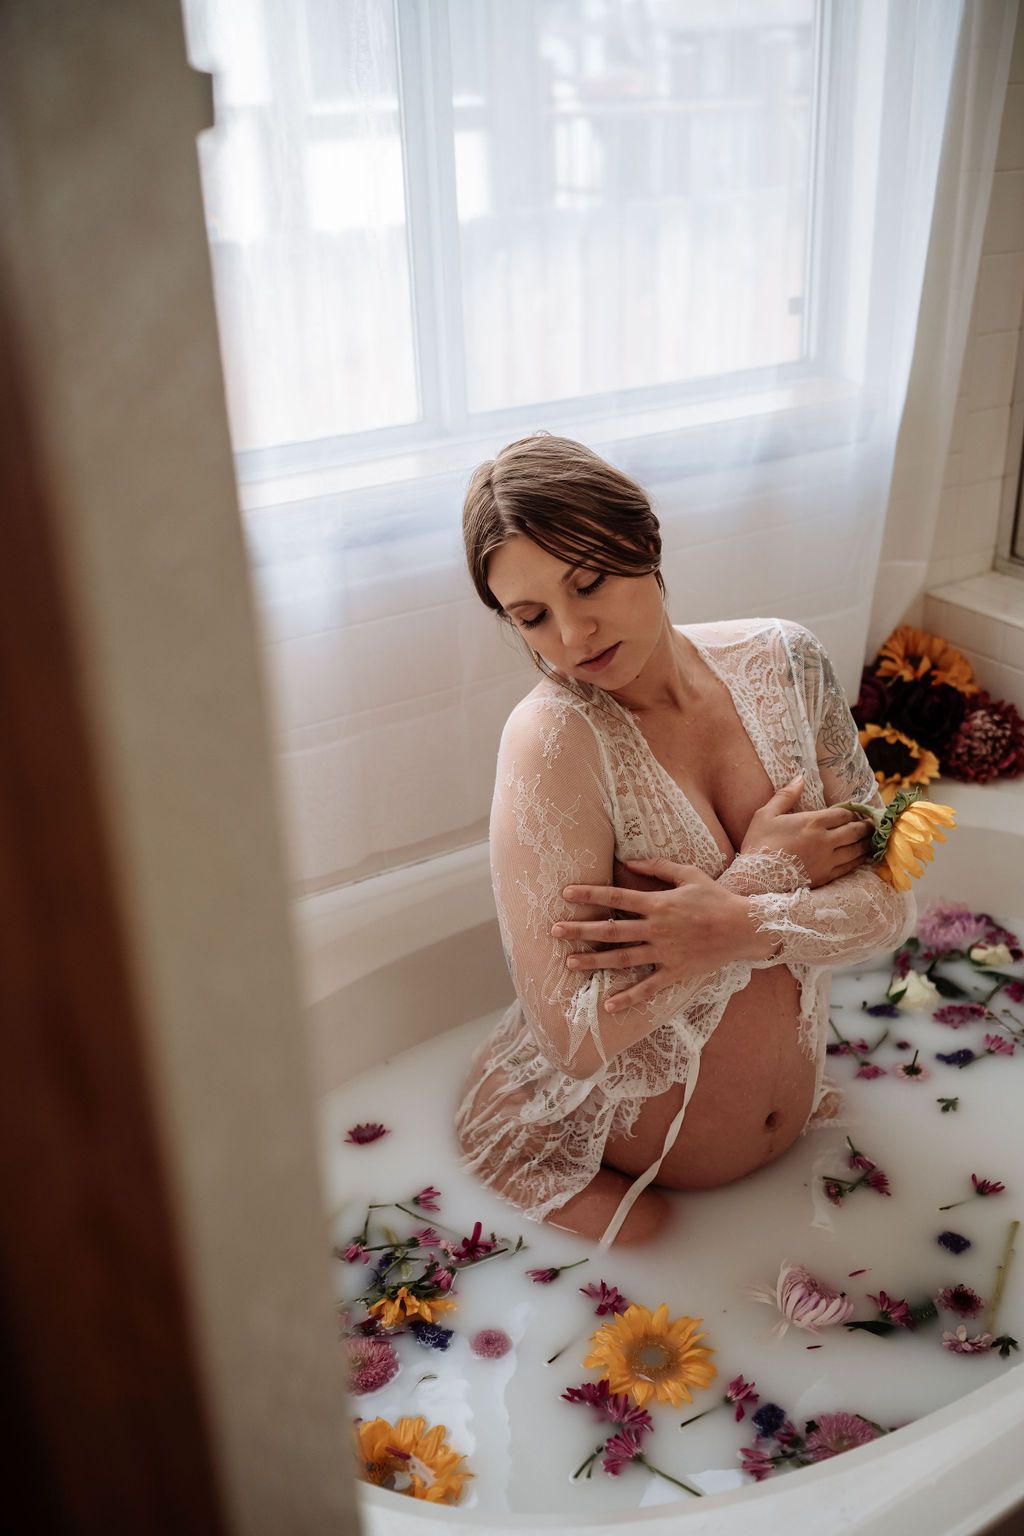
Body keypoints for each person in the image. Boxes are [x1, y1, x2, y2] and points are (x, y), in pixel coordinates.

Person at [455, 433, 916, 1248]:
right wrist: (763, 877)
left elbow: (888, 904)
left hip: (791, 1139)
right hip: (583, 1150)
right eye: (532, 617)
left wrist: (744, 927)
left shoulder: (787, 662)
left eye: (587, 580)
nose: (571, 635)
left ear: (643, 541)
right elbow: (572, 1037)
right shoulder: (553, 742)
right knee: (642, 1247)